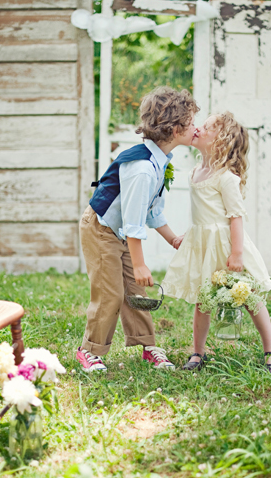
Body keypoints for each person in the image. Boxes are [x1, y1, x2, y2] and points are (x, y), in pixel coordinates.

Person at [76, 86, 199, 372]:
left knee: (137, 291)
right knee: (112, 293)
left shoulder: (160, 161)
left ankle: (147, 345)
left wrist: (173, 239)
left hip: (122, 232)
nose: (196, 127)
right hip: (101, 229)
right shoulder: (142, 168)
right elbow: (133, 221)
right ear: (175, 128)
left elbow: (151, 210)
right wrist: (140, 263)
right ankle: (89, 350)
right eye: (191, 122)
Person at [163, 112, 271, 373]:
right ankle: (198, 352)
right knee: (203, 298)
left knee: (248, 296)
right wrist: (190, 234)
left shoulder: (226, 177)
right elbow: (203, 214)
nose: (198, 129)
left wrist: (237, 253)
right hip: (204, 244)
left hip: (227, 246)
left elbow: (235, 216)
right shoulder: (197, 172)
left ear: (221, 141)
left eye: (205, 128)